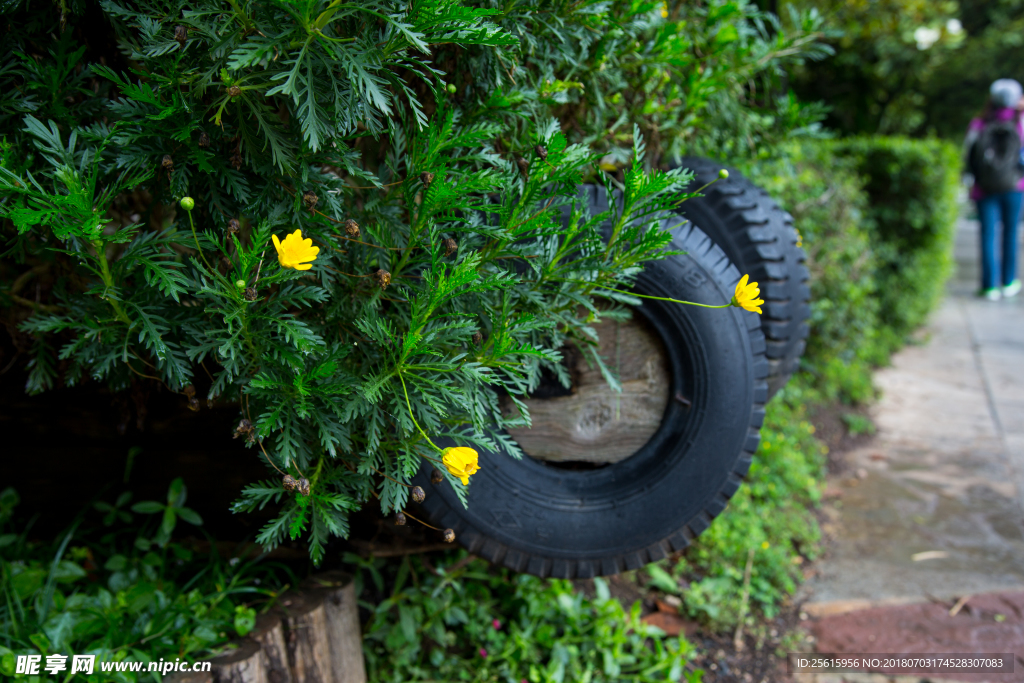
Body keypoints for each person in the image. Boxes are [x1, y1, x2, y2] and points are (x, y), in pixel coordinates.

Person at [964, 78, 1024, 300]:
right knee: (1010, 234)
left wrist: (972, 181)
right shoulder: (1020, 123)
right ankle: (1008, 282)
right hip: (1015, 187)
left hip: (984, 189)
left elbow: (968, 156)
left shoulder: (979, 124)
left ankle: (989, 286)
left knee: (988, 235)